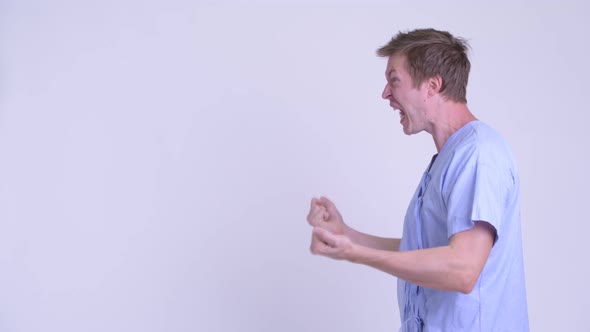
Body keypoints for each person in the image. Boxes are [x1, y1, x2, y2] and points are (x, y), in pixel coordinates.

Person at [306, 28, 529, 332]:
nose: (385, 93)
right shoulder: (451, 158)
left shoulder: (479, 153)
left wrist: (356, 254)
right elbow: (424, 251)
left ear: (432, 85)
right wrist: (347, 235)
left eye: (394, 80)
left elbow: (462, 269)